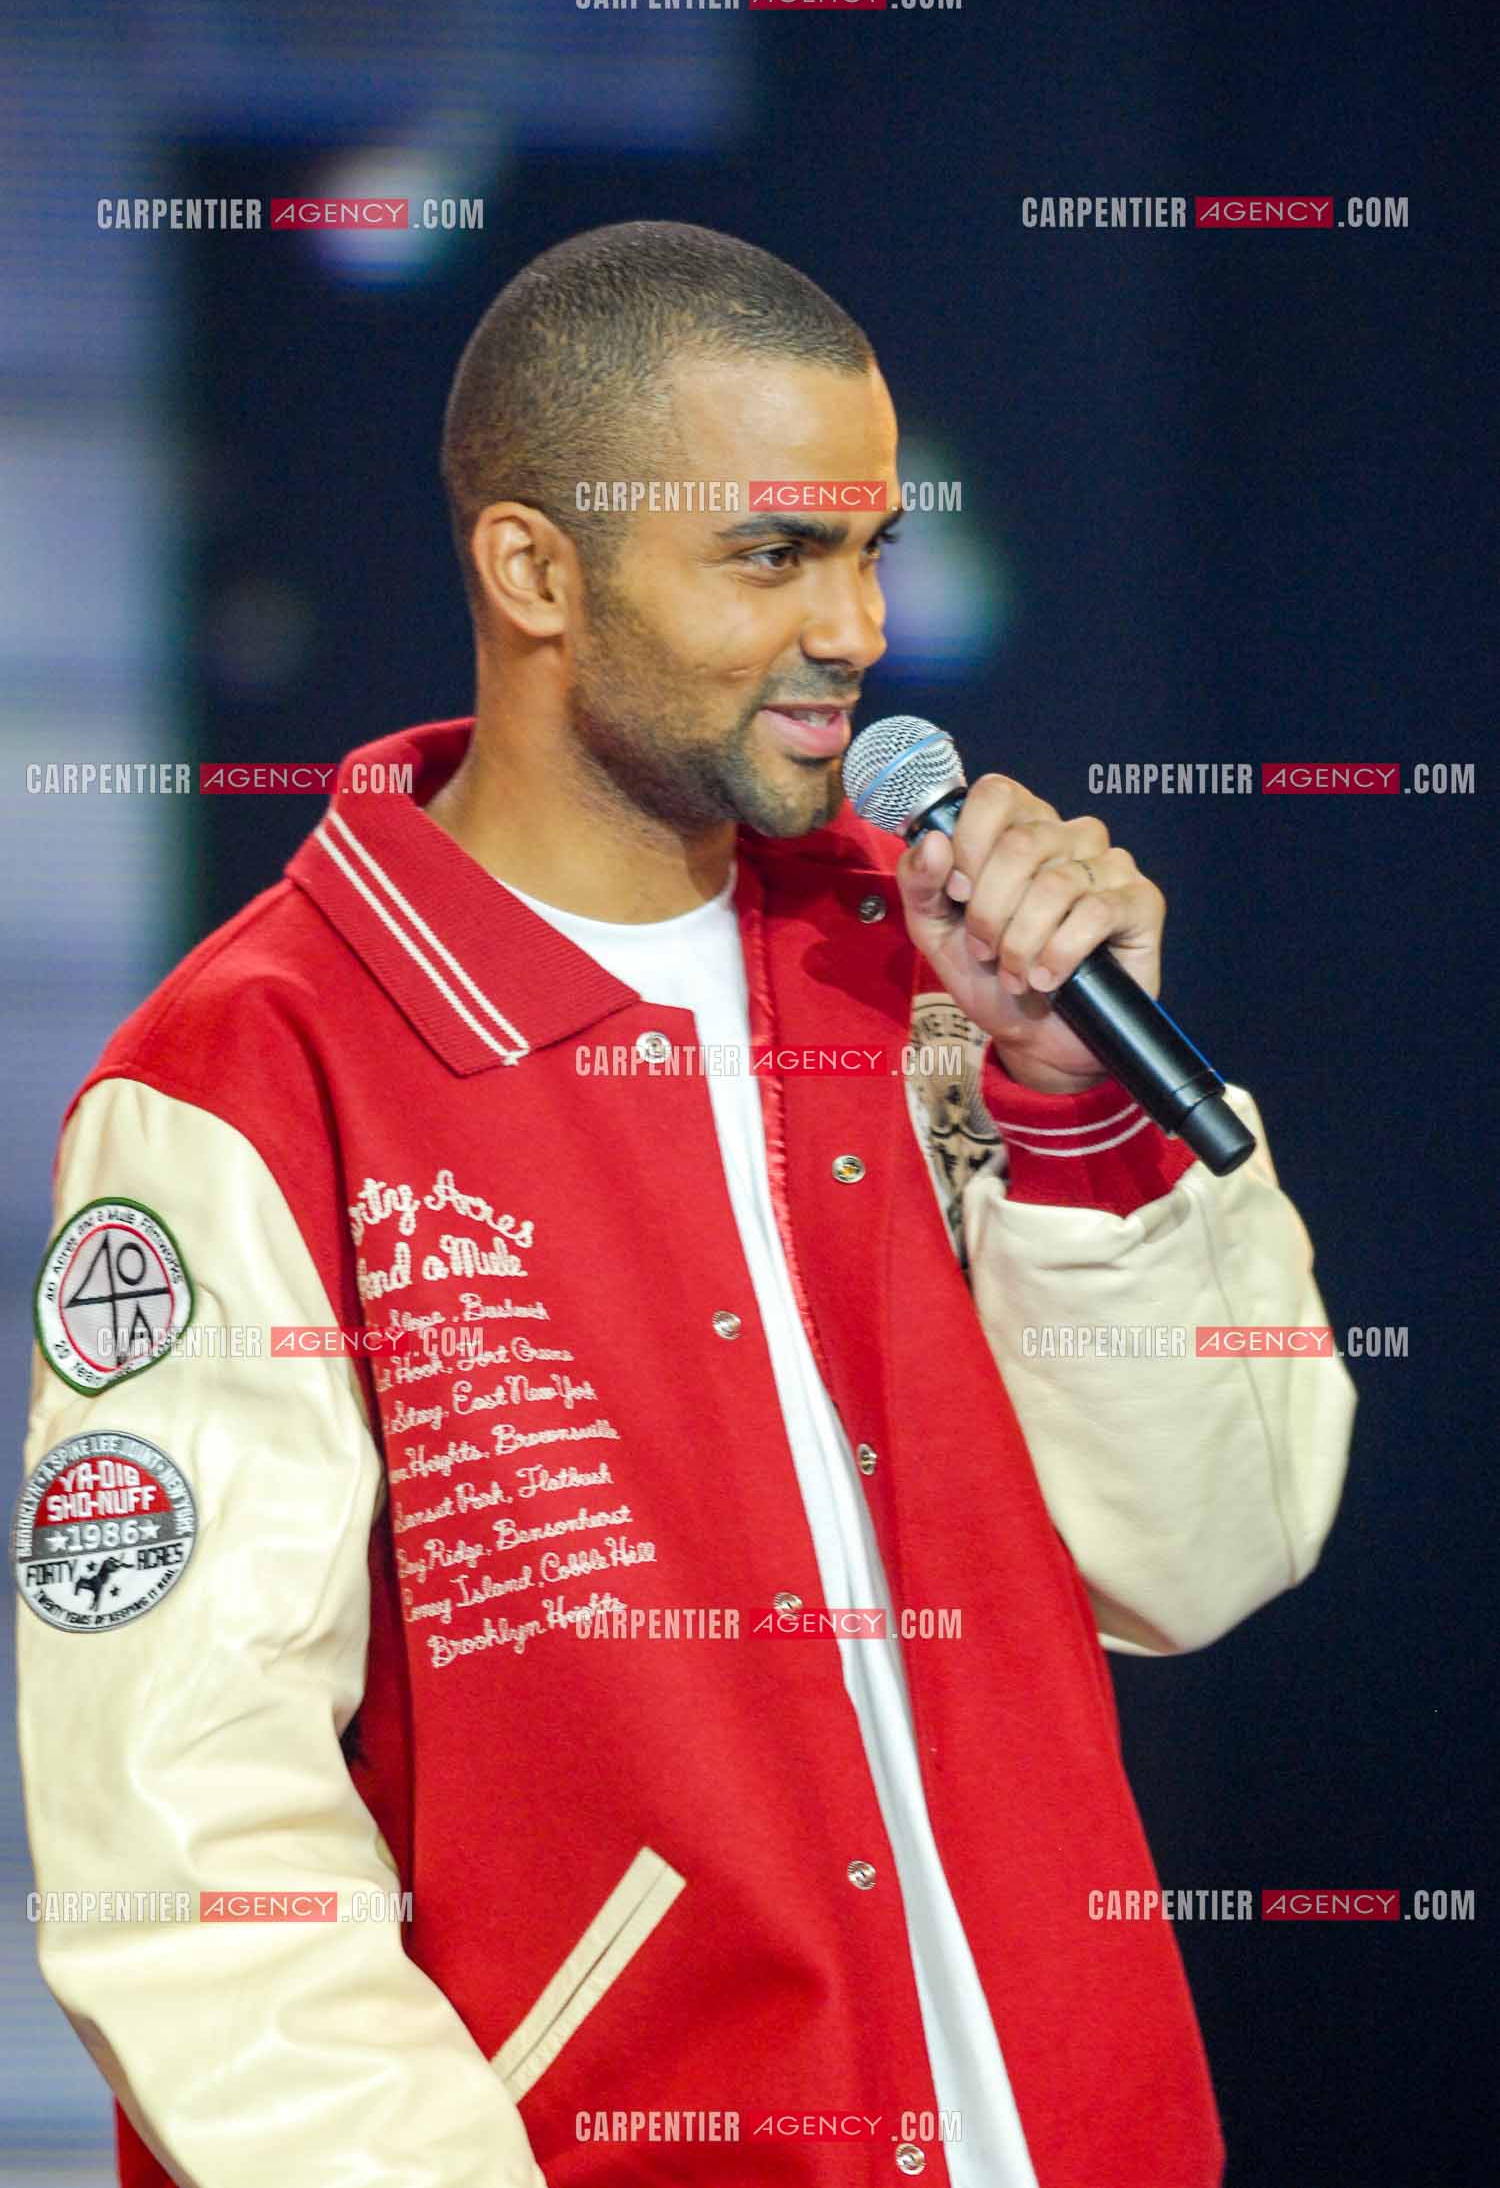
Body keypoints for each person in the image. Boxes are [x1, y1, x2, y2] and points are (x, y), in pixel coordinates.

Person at [15, 221, 1354, 2188]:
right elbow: (191, 1845)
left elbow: (1214, 1549)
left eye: (873, 545)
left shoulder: (934, 980)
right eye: (775, 554)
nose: (860, 627)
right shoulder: (254, 1076)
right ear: (535, 571)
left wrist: (1074, 1115)